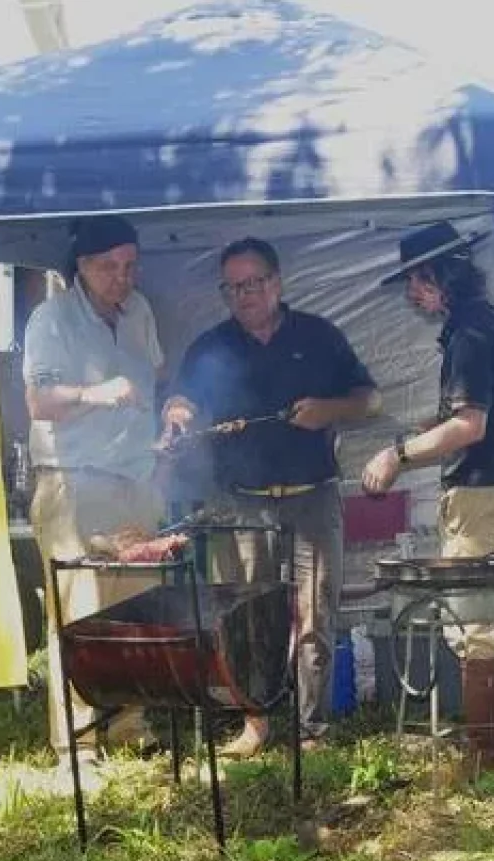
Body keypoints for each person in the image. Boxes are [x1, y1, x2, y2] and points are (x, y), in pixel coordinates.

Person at [162, 237, 379, 756]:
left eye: (254, 282)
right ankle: (255, 724)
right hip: (243, 504)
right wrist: (175, 414)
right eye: (233, 287)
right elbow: (179, 399)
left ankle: (313, 730)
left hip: (312, 498)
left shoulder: (319, 336)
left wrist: (327, 410)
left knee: (314, 616)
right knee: (248, 617)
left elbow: (370, 399)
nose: (245, 294)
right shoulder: (211, 347)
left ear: (277, 283)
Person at [361, 221, 494, 774]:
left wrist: (398, 456)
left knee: (472, 624)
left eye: (418, 279)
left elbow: (470, 427)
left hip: (480, 494)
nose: (414, 291)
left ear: (445, 274)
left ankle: (486, 756)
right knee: (492, 615)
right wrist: (426, 428)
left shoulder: (468, 332)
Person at [22, 214, 167, 769]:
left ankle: (130, 723)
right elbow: (40, 403)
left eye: (129, 266)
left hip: (136, 481)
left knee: (136, 611)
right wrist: (98, 392)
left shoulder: (141, 311)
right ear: (82, 266)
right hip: (75, 486)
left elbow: (154, 375)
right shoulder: (50, 318)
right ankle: (78, 744)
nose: (122, 278)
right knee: (81, 616)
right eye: (110, 267)